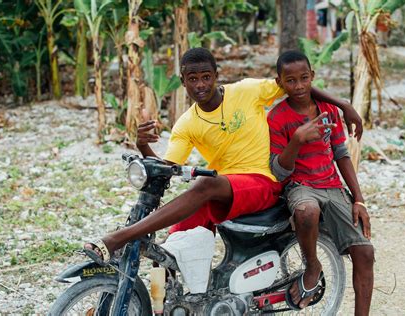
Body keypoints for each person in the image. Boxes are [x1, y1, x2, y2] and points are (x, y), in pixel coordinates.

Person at [83, 47, 363, 266]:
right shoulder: (186, 124)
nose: (201, 85)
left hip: (263, 181)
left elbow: (296, 84)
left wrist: (343, 104)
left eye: (206, 76)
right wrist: (142, 146)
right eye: (193, 79)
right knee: (173, 242)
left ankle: (119, 237)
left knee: (204, 184)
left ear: (217, 75)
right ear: (183, 82)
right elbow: (167, 169)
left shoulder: (247, 91)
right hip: (225, 188)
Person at [267, 50, 374, 314]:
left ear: (312, 76)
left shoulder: (327, 110)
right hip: (300, 186)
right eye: (290, 81)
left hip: (332, 186)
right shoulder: (277, 117)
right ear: (279, 82)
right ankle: (312, 266)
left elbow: (341, 154)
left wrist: (358, 199)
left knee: (365, 254)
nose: (299, 86)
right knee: (307, 210)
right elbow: (280, 171)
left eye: (304, 78)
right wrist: (297, 140)